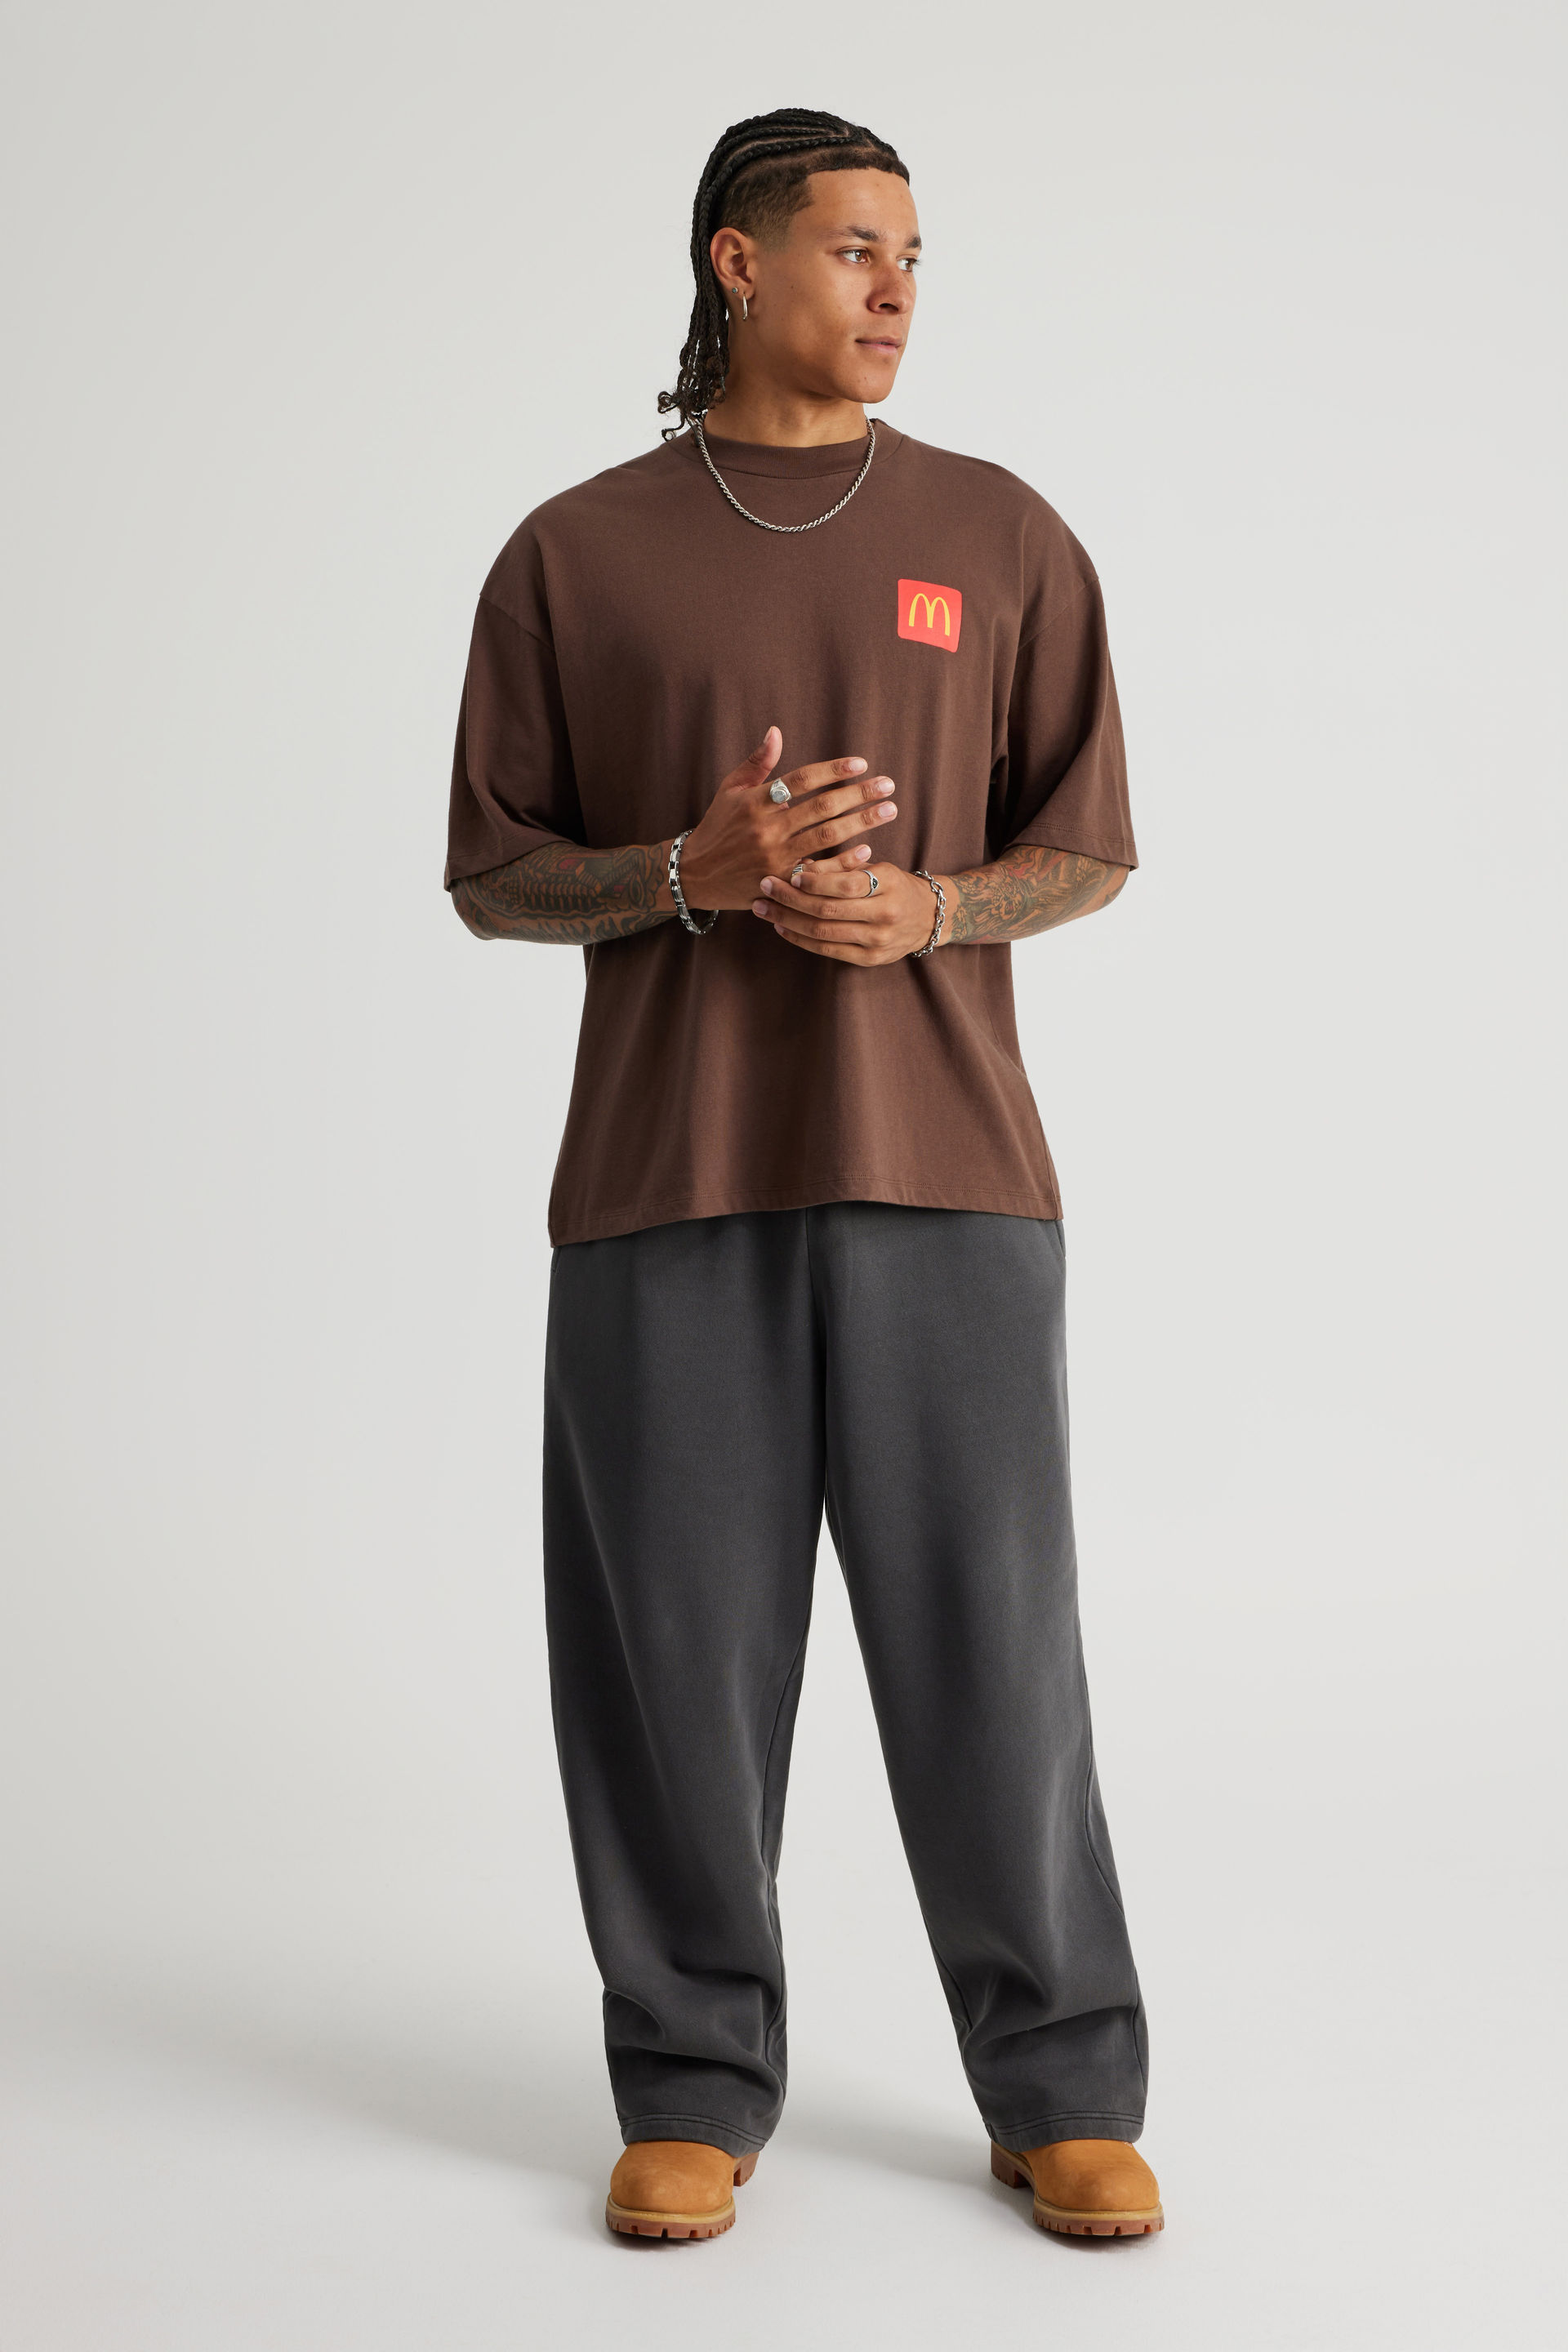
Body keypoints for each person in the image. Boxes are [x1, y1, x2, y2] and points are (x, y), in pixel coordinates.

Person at [444, 107, 1161, 2244]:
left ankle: (1061, 2084)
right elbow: (492, 872)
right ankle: (689, 2081)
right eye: (857, 248)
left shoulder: (1002, 534)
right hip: (663, 1188)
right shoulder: (574, 555)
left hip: (952, 1175)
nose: (896, 291)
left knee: (995, 1647)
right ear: (737, 262)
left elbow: (1090, 843)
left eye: (915, 257)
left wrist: (932, 912)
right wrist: (688, 871)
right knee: (670, 1657)